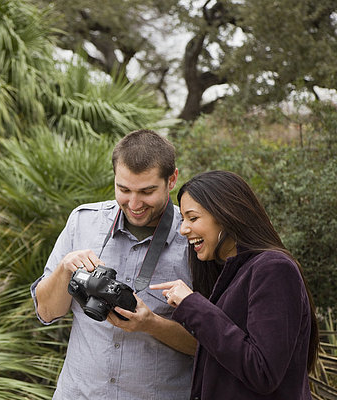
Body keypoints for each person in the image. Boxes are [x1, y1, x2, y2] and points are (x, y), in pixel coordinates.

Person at [31, 129, 196, 400]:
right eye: (124, 189)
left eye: (147, 191)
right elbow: (47, 312)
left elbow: (210, 345)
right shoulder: (82, 221)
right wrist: (65, 269)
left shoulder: (194, 238)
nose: (134, 203)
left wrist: (151, 324)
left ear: (172, 180)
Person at [151, 170, 320, 400]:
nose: (183, 229)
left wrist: (193, 306)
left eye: (193, 218)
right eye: (182, 219)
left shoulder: (274, 268)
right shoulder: (230, 273)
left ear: (225, 214)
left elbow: (263, 372)